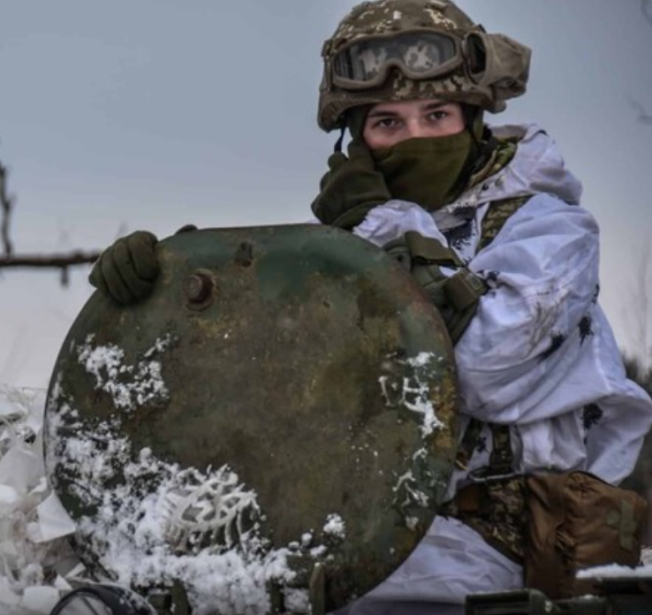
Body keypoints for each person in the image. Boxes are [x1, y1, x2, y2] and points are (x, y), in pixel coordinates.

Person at [87, 0, 652, 613]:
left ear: (474, 118)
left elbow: (480, 370)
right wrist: (166, 292)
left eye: (436, 115)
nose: (414, 138)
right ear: (357, 141)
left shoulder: (550, 232)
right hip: (352, 534)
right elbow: (256, 388)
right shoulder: (344, 249)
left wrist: (382, 226)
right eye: (386, 122)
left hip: (492, 551)